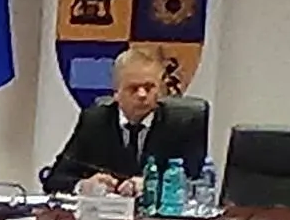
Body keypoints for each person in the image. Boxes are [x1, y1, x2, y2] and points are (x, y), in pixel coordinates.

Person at [40, 47, 208, 198]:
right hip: (108, 217)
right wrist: (83, 186)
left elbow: (195, 181)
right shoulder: (95, 121)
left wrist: (151, 184)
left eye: (149, 87)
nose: (142, 95)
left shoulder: (182, 123)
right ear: (116, 93)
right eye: (133, 88)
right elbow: (55, 178)